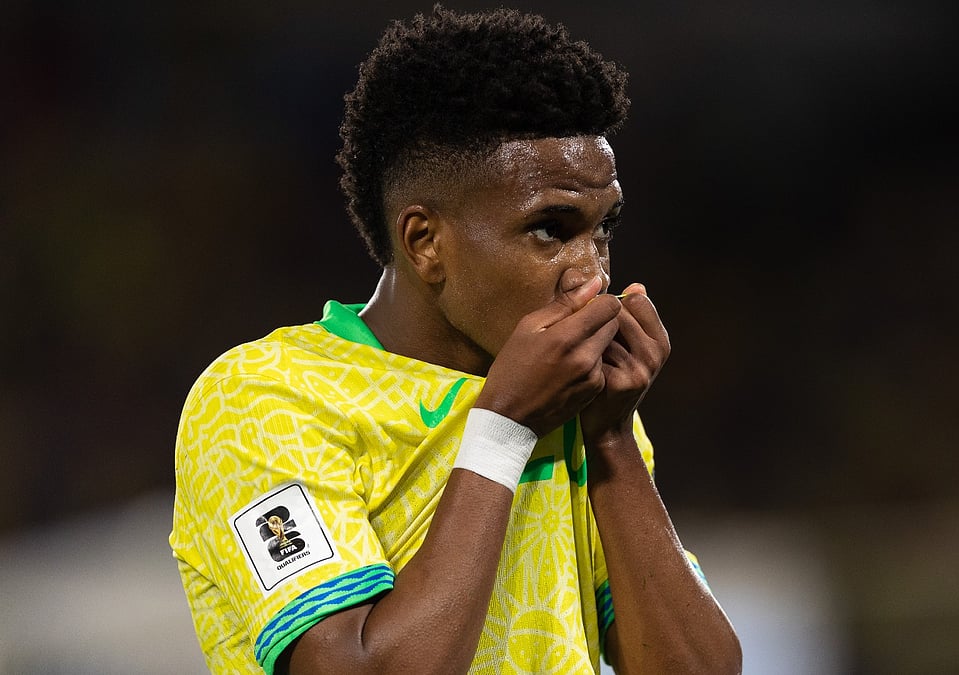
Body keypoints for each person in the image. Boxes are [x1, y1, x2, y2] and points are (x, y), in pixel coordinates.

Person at [169, 6, 742, 674]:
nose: (593, 274)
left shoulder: (576, 408)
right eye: (550, 229)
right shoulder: (265, 398)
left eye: (602, 228)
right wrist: (502, 427)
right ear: (426, 242)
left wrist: (611, 438)